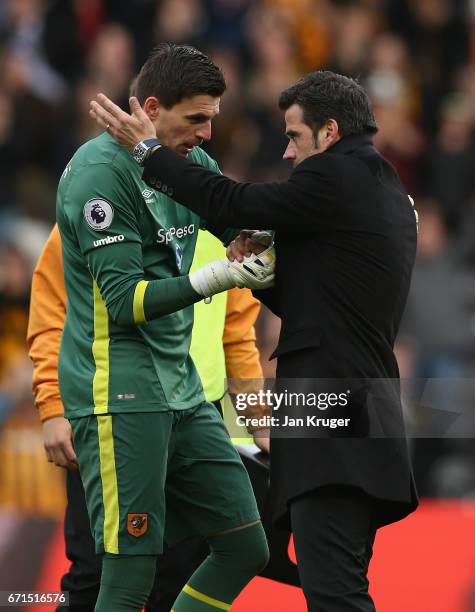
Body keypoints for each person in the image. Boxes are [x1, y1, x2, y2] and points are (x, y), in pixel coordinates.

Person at [91, 69, 420, 611]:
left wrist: (149, 151)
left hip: (330, 418)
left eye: (293, 136)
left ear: (329, 132)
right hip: (358, 416)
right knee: (320, 578)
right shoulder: (380, 189)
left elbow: (232, 200)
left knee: (334, 593)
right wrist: (261, 276)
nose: (288, 154)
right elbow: (319, 301)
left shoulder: (340, 176)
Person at [56, 43, 273, 612]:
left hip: (184, 392)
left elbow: (235, 213)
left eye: (212, 120)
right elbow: (124, 302)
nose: (206, 134)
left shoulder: (185, 164)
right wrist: (220, 275)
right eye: (195, 118)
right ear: (151, 107)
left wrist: (264, 238)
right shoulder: (98, 178)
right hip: (119, 393)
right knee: (127, 580)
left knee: (246, 549)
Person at [27, 223, 269, 612]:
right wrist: (53, 408)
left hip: (193, 425)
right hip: (106, 418)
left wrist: (258, 419)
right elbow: (50, 315)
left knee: (177, 578)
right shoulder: (95, 200)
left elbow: (236, 332)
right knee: (94, 577)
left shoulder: (218, 216)